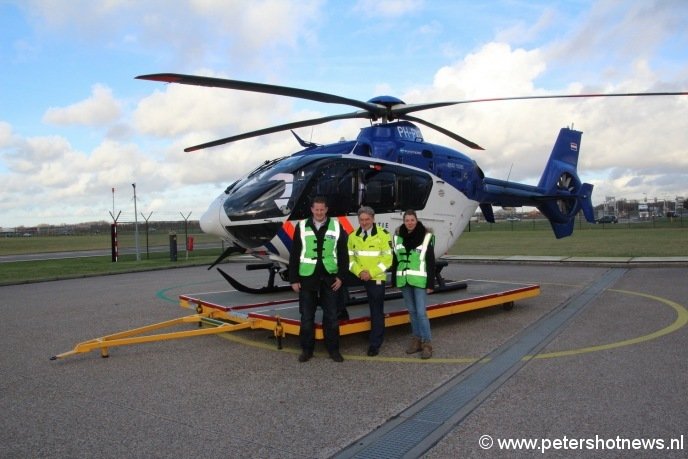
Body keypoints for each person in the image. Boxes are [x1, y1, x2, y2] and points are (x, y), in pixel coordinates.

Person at [289, 196, 349, 363]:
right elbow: (295, 253)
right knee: (307, 317)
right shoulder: (301, 226)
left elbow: (344, 254)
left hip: (330, 279)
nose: (319, 212)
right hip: (307, 279)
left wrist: (341, 277)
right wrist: (293, 278)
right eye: (316, 209)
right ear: (312, 209)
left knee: (331, 317)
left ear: (326, 209)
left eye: (322, 209)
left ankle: (334, 350)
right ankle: (307, 351)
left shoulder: (337, 226)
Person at [347, 206, 393, 356]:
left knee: (376, 311)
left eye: (367, 219)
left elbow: (387, 260)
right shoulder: (352, 236)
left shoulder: (383, 235)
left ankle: (375, 343)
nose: (364, 222)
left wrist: (370, 273)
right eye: (362, 220)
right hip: (359, 274)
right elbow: (350, 259)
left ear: (373, 219)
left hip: (376, 278)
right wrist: (360, 271)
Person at [392, 209, 435, 359]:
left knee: (421, 313)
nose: (409, 223)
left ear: (416, 220)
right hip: (404, 280)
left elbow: (430, 261)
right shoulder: (397, 237)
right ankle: (416, 339)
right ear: (404, 221)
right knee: (412, 311)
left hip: (420, 281)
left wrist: (431, 283)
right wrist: (394, 280)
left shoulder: (426, 236)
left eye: (412, 220)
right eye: (407, 220)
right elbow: (395, 260)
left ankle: (427, 343)